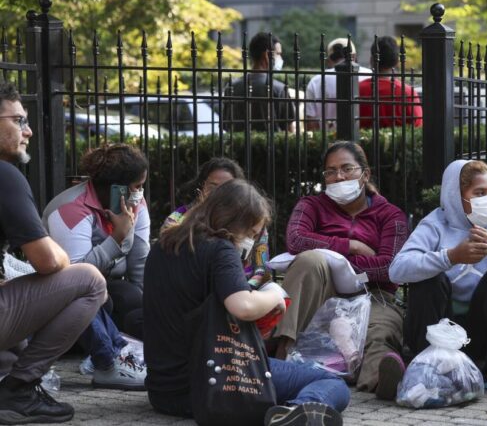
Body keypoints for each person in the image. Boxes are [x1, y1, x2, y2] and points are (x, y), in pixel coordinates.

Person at [144, 179, 349, 425]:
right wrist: (275, 294)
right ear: (235, 221)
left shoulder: (163, 245)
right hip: (211, 384)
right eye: (251, 233)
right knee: (331, 382)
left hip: (163, 392)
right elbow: (243, 306)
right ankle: (294, 413)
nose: (250, 241)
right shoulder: (220, 248)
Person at [0, 81, 107, 424]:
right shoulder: (5, 175)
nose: (28, 131)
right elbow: (47, 262)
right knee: (90, 280)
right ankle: (20, 388)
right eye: (18, 120)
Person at [389, 160, 487, 397]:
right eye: (479, 193)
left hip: (480, 335)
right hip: (439, 333)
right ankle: (428, 370)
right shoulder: (436, 223)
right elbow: (397, 270)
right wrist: (451, 256)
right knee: (428, 281)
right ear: (456, 195)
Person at [273, 141, 408, 400]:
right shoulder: (311, 205)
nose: (339, 177)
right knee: (310, 260)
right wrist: (351, 246)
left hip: (375, 294)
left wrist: (346, 266)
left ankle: (381, 378)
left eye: (347, 168)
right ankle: (283, 352)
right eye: (331, 171)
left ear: (365, 174)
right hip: (321, 293)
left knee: (379, 331)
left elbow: (389, 266)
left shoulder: (391, 215)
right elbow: (297, 241)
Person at [42, 143, 149, 390]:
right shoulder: (70, 209)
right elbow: (76, 276)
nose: (140, 193)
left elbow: (140, 262)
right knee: (95, 296)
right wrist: (116, 240)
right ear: (117, 188)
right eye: (136, 186)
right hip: (65, 293)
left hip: (105, 285)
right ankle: (107, 361)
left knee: (134, 298)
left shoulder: (135, 204)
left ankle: (124, 350)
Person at [162, 156, 270, 287]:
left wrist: (248, 289)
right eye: (213, 187)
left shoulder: (254, 223)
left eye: (227, 188)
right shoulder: (179, 217)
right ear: (201, 186)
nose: (219, 194)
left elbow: (262, 270)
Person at [228, 33, 294, 133]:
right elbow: (289, 131)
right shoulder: (279, 89)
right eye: (278, 54)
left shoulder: (231, 87)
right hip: (272, 147)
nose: (280, 59)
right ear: (267, 55)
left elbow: (226, 125)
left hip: (238, 147)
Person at [305, 38, 373, 131]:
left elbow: (311, 122)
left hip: (328, 139)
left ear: (329, 60)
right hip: (362, 138)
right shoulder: (369, 75)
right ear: (354, 56)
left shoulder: (317, 80)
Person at [358, 36, 423, 129]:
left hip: (361, 143)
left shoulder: (358, 89)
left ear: (372, 60)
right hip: (400, 143)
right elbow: (417, 126)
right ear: (397, 61)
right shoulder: (407, 92)